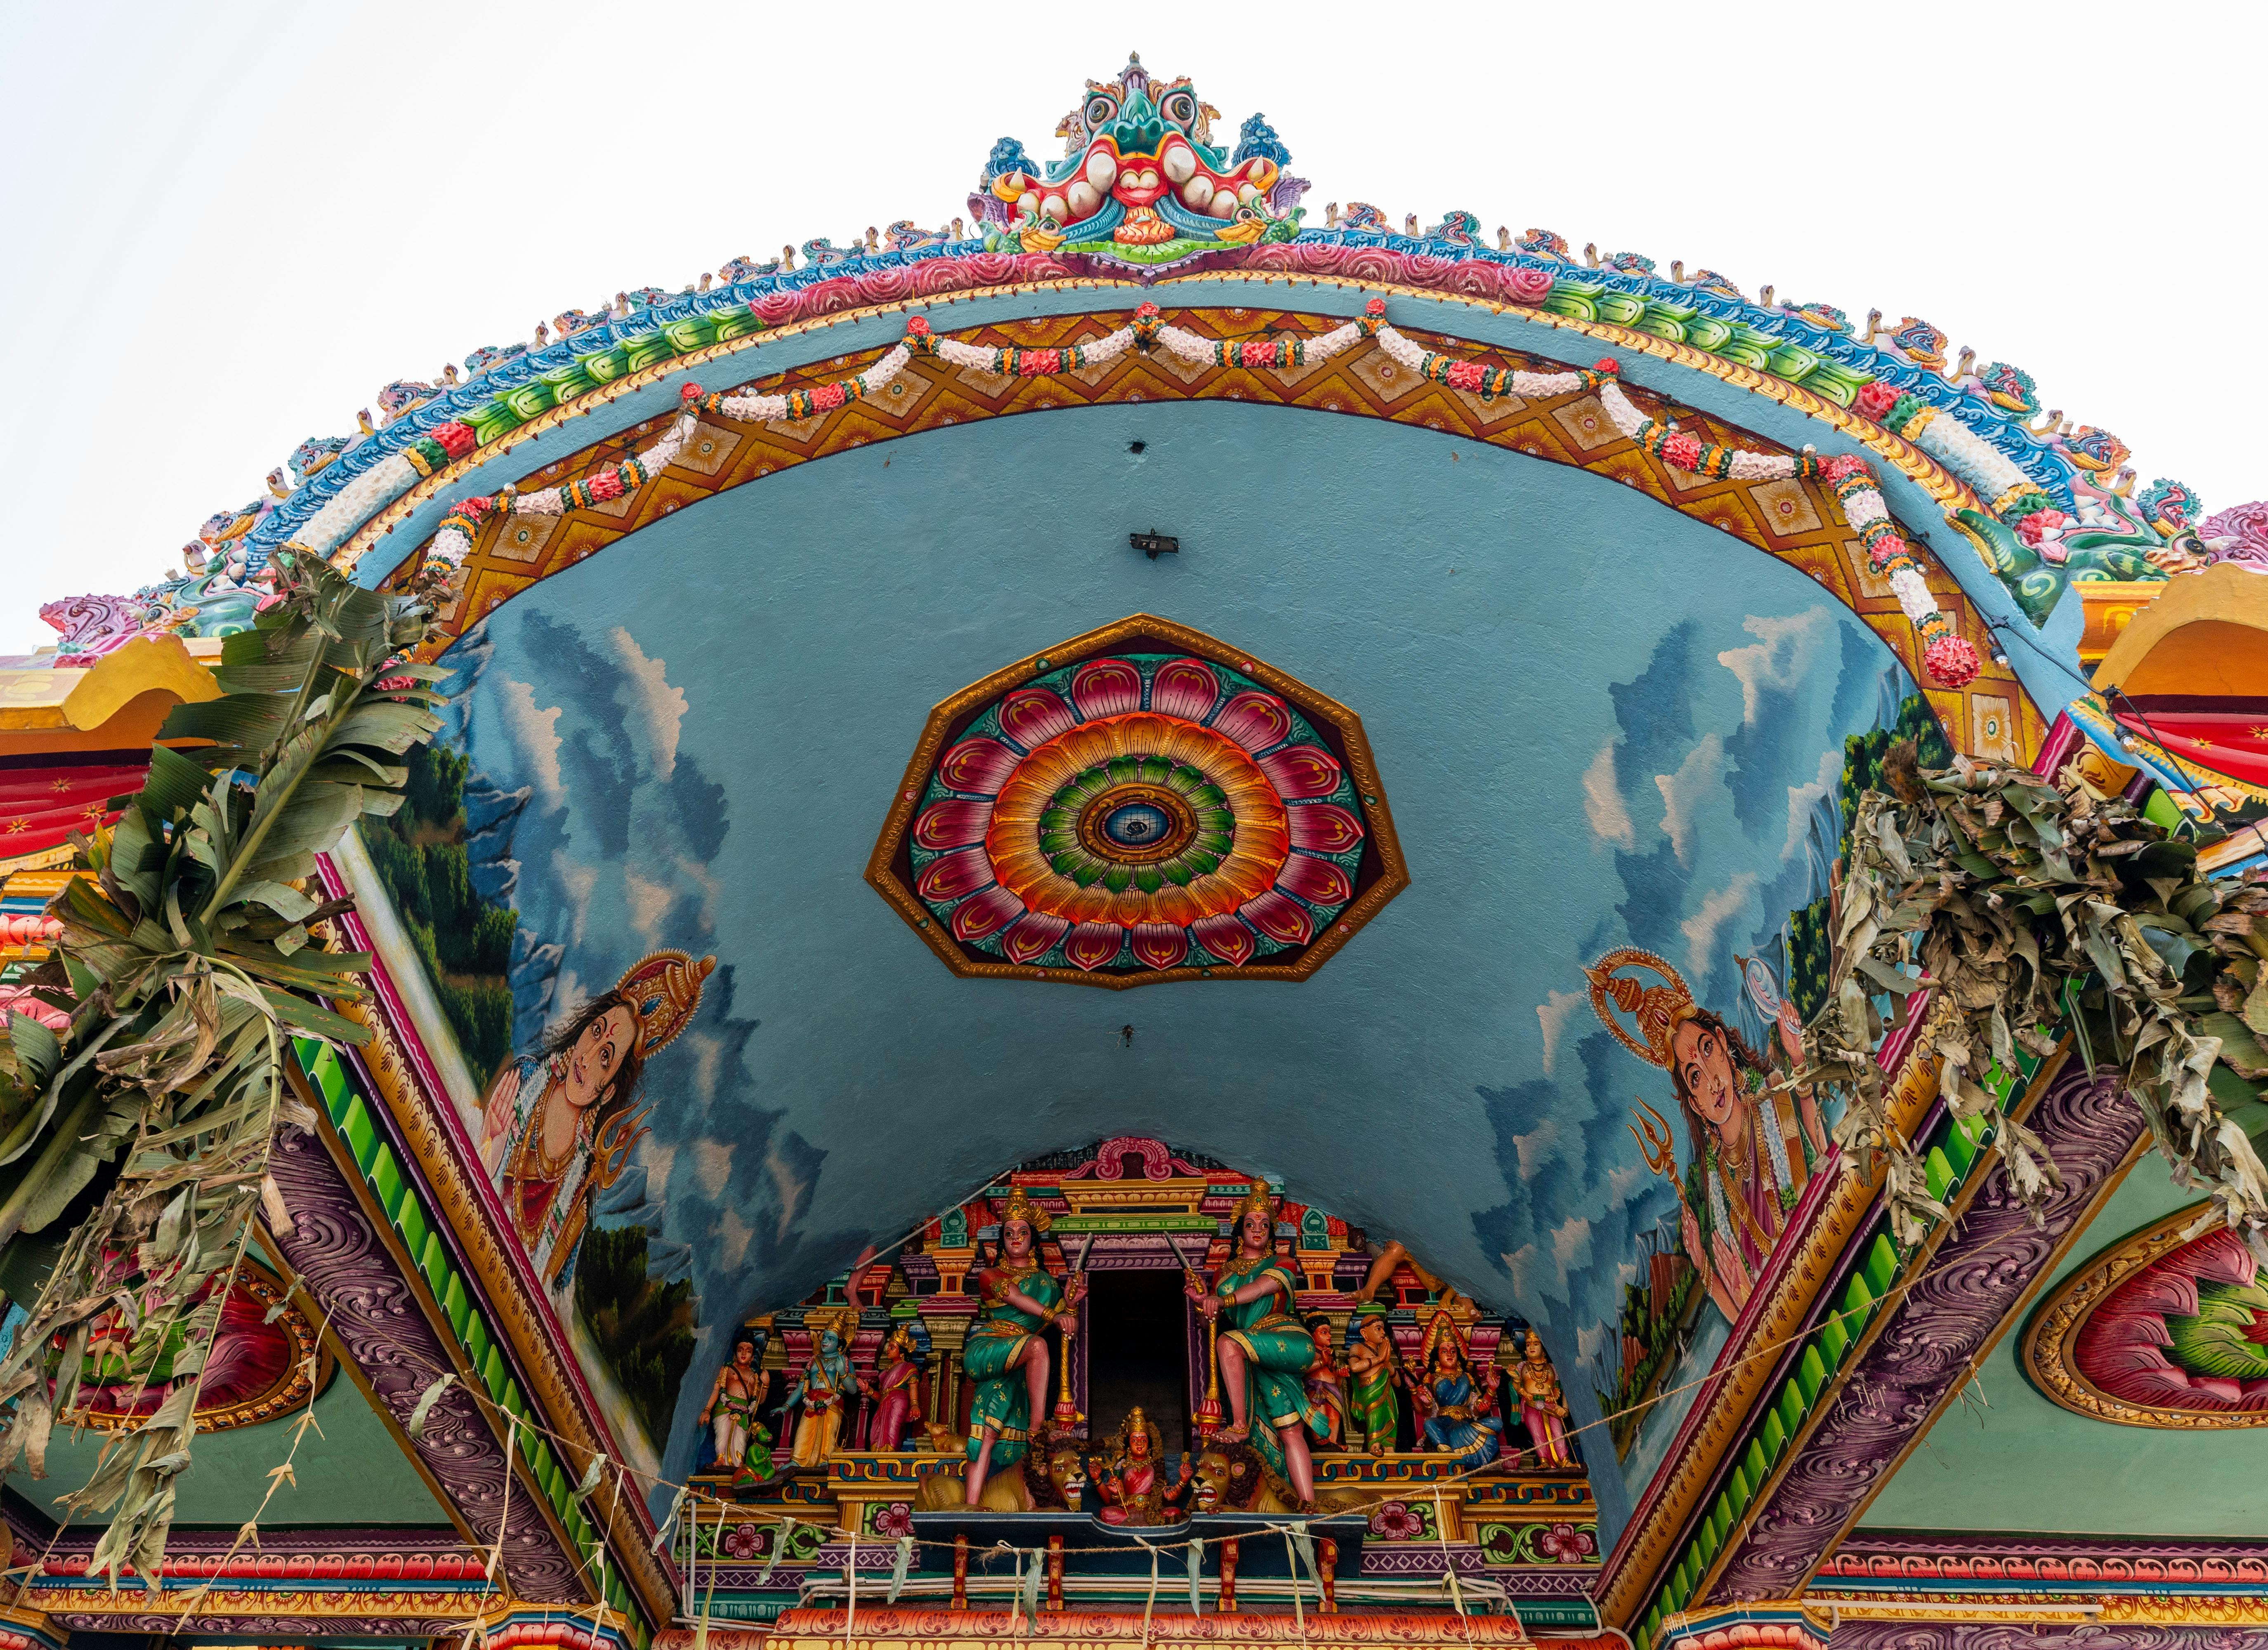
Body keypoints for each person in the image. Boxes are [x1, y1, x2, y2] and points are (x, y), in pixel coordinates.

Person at [1589, 947, 1822, 1323]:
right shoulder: (1719, 1188)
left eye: (1708, 1050)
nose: (1711, 1078)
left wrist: (1798, 1060)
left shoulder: (1774, 1097)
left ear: (1725, 1047)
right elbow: (1750, 1327)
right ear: (1695, 1104)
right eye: (1694, 1076)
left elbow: (1822, 1156)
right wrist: (1707, 1274)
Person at [475, 950, 713, 1296]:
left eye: (606, 1057)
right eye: (596, 1032)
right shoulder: (525, 1081)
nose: (586, 1057)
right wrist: (487, 1148)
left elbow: (549, 1292)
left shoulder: (580, 1187)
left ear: (608, 1091)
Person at [1186, 1185, 1330, 1506]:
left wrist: (1221, 1299)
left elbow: (1262, 1287)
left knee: (1229, 1342)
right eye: (1251, 1223)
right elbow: (1208, 1323)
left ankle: (1238, 1425)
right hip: (1254, 1352)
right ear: (1240, 1230)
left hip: (1286, 1339)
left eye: (1265, 1224)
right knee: (1289, 1429)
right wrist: (1202, 1305)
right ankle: (1307, 1504)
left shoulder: (1283, 1262)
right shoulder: (1223, 1272)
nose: (1257, 1230)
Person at [961, 1187, 1081, 1505]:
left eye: (1023, 1232)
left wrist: (1070, 1307)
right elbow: (1014, 1297)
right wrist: (1054, 1316)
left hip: (1019, 1364)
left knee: (989, 1428)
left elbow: (1068, 1329)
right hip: (990, 1347)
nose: (1016, 1238)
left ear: (1033, 1238)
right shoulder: (991, 1274)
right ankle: (1039, 1428)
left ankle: (974, 1504)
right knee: (1039, 1347)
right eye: (1009, 1232)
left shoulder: (1045, 1282)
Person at [1406, 1312, 1503, 1470]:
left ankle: (1457, 1455)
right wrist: (1414, 1392)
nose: (1450, 1354)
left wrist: (1491, 1389)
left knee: (1497, 1422)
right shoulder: (1431, 1378)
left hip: (1468, 1422)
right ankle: (1449, 1455)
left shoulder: (1468, 1377)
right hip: (1444, 1423)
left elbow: (1478, 1409)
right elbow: (1423, 1411)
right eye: (1445, 1351)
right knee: (1430, 1424)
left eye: (1453, 1351)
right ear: (1437, 1356)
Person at [786, 1311, 864, 1468]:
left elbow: (853, 1389)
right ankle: (797, 1460)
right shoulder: (813, 1361)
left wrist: (842, 1372)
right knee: (804, 1430)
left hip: (832, 1403)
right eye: (825, 1337)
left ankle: (825, 1460)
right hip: (811, 1402)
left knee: (829, 1431)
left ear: (839, 1344)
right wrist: (786, 1406)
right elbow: (801, 1387)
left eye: (831, 1339)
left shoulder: (845, 1362)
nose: (825, 1342)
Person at [1092, 1406, 1190, 1525]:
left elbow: (1167, 1502)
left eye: (1143, 1440)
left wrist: (1182, 1482)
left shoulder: (1157, 1466)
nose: (1139, 1443)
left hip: (1152, 1513)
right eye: (1135, 1440)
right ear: (1129, 1445)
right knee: (1105, 1513)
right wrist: (1099, 1481)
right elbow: (1111, 1502)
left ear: (1149, 1444)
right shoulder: (1120, 1467)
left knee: (1174, 1512)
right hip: (1126, 1513)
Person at [699, 1333, 774, 1486]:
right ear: (735, 1354)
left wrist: (765, 1385)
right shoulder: (726, 1370)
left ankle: (738, 1464)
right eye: (741, 1350)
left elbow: (760, 1400)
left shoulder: (754, 1376)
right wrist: (707, 1409)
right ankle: (720, 1460)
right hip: (725, 1408)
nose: (744, 1353)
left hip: (744, 1412)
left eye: (748, 1351)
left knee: (739, 1438)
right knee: (723, 1434)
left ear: (753, 1357)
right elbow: (716, 1389)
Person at [1343, 1300, 1404, 1455]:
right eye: (1378, 1329)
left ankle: (1389, 1447)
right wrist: (1379, 1360)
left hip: (1387, 1395)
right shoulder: (1358, 1347)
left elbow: (1398, 1384)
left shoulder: (1383, 1353)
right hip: (1370, 1392)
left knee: (1390, 1417)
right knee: (1375, 1417)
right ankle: (1374, 1446)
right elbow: (1355, 1367)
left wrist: (1389, 1366)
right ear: (1365, 1333)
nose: (1383, 1333)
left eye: (1383, 1329)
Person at [1511, 1329, 1573, 1469]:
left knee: (1558, 1432)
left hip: (1551, 1404)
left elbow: (1563, 1389)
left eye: (1536, 1344)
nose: (1532, 1347)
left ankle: (1565, 1460)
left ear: (1543, 1348)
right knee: (1537, 1432)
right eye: (1528, 1345)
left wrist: (1565, 1409)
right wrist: (1516, 1381)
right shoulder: (1522, 1367)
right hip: (1531, 1404)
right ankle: (1544, 1460)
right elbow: (1516, 1386)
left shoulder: (1552, 1368)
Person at [869, 1324, 922, 1452]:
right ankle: (878, 1454)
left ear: (902, 1352)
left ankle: (890, 1453)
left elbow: (913, 1386)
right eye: (889, 1347)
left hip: (899, 1401)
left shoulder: (909, 1368)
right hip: (884, 1403)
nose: (888, 1350)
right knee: (876, 1430)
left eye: (893, 1348)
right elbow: (881, 1396)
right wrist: (868, 1391)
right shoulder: (884, 1373)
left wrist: (915, 1404)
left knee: (893, 1429)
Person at [1301, 1312, 1349, 1447]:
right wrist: (1322, 1362)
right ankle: (1319, 1438)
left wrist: (1340, 1376)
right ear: (1312, 1336)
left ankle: (1333, 1441)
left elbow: (1338, 1384)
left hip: (1333, 1391)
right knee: (1319, 1412)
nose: (1329, 1336)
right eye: (1324, 1332)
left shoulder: (1331, 1357)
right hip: (1316, 1389)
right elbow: (1302, 1370)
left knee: (1334, 1415)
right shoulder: (1310, 1354)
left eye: (1330, 1332)